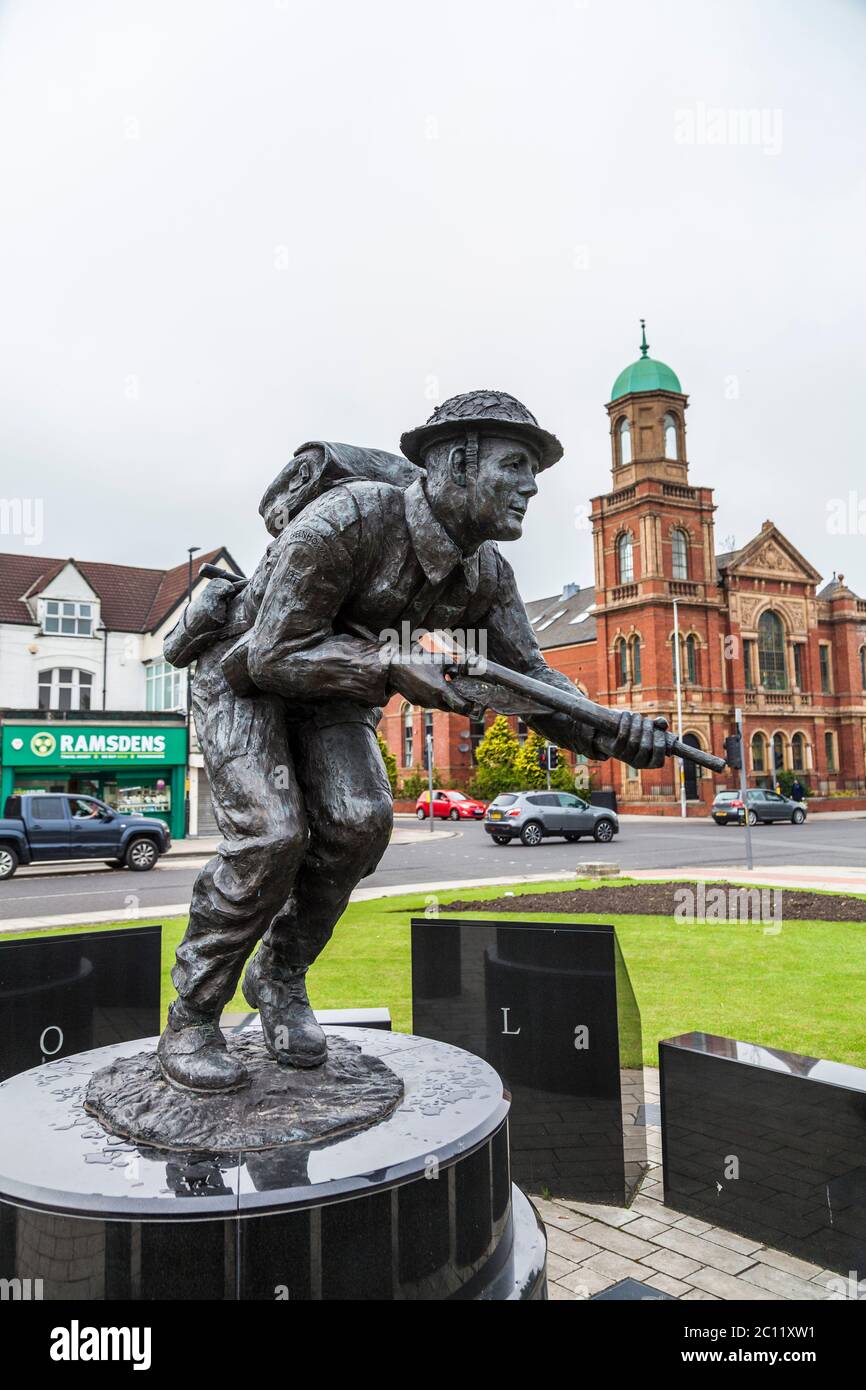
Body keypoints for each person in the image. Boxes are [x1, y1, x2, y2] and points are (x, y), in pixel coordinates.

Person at [157, 391, 670, 1092]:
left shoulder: (485, 573)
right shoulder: (349, 520)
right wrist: (391, 664)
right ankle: (192, 1015)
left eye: (535, 474)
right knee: (272, 835)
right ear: (455, 462)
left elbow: (531, 680)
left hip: (335, 688)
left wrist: (612, 732)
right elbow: (267, 658)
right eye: (515, 465)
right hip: (247, 672)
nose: (530, 487)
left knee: (360, 822)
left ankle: (279, 977)